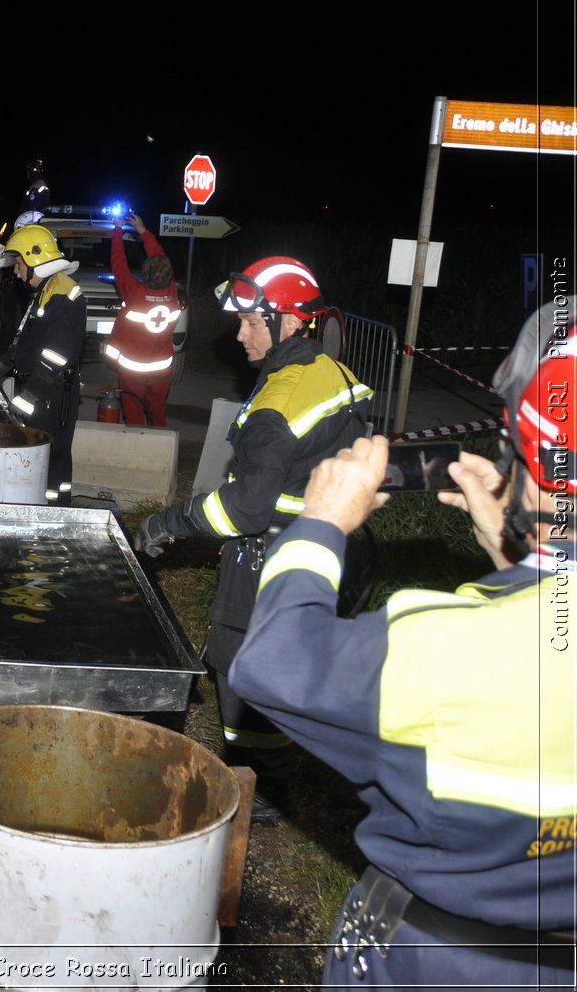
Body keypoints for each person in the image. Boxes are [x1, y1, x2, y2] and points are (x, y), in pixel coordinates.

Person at [230, 301, 575, 988]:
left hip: (437, 960)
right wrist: (518, 559)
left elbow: (274, 662)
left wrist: (321, 524)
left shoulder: (445, 651)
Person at [135, 256, 373, 822]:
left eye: (252, 322)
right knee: (293, 665)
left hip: (270, 558)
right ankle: (281, 771)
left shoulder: (277, 400)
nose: (240, 335)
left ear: (291, 322)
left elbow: (245, 507)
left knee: (238, 667)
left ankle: (260, 790)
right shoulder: (333, 374)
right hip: (333, 550)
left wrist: (171, 521)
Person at [0, 224, 87, 504]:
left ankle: (52, 511)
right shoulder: (48, 289)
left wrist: (26, 401)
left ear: (34, 259)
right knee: (44, 456)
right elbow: (29, 338)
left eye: (18, 263)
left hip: (51, 395)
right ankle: (46, 507)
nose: (16, 270)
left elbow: (55, 358)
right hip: (44, 392)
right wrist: (3, 366)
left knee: (51, 458)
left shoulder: (63, 293)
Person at [106, 213, 182, 425]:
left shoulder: (134, 293)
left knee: (133, 412)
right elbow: (162, 259)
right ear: (169, 275)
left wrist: (118, 231)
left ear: (145, 274)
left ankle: (137, 449)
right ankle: (160, 451)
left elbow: (118, 264)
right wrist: (143, 232)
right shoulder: (172, 291)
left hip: (133, 369)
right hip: (161, 370)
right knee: (158, 411)